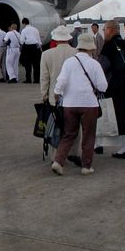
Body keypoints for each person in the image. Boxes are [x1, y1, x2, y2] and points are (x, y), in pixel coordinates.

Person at [51, 33, 108, 176]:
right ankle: (86, 166)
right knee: (88, 135)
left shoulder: (69, 62)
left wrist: (57, 93)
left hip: (69, 104)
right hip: (89, 104)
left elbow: (61, 81)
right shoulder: (94, 63)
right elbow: (103, 86)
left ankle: (58, 161)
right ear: (91, 48)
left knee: (69, 134)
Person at [40, 25, 81, 165]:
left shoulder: (46, 54)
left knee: (55, 126)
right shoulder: (76, 52)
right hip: (74, 97)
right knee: (74, 125)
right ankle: (74, 153)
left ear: (55, 39)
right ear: (68, 38)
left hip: (54, 96)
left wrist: (44, 94)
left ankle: (55, 156)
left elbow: (44, 78)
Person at [95, 20, 125, 158]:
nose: (104, 32)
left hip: (111, 85)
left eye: (104, 29)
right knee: (122, 114)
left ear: (110, 30)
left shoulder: (109, 46)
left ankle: (98, 144)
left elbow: (102, 67)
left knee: (104, 114)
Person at [20, 18, 42, 83]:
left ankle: (28, 79)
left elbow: (22, 40)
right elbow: (38, 40)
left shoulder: (24, 30)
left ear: (23, 23)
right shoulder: (35, 29)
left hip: (27, 48)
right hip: (35, 47)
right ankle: (36, 79)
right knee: (36, 65)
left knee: (28, 64)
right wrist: (39, 47)